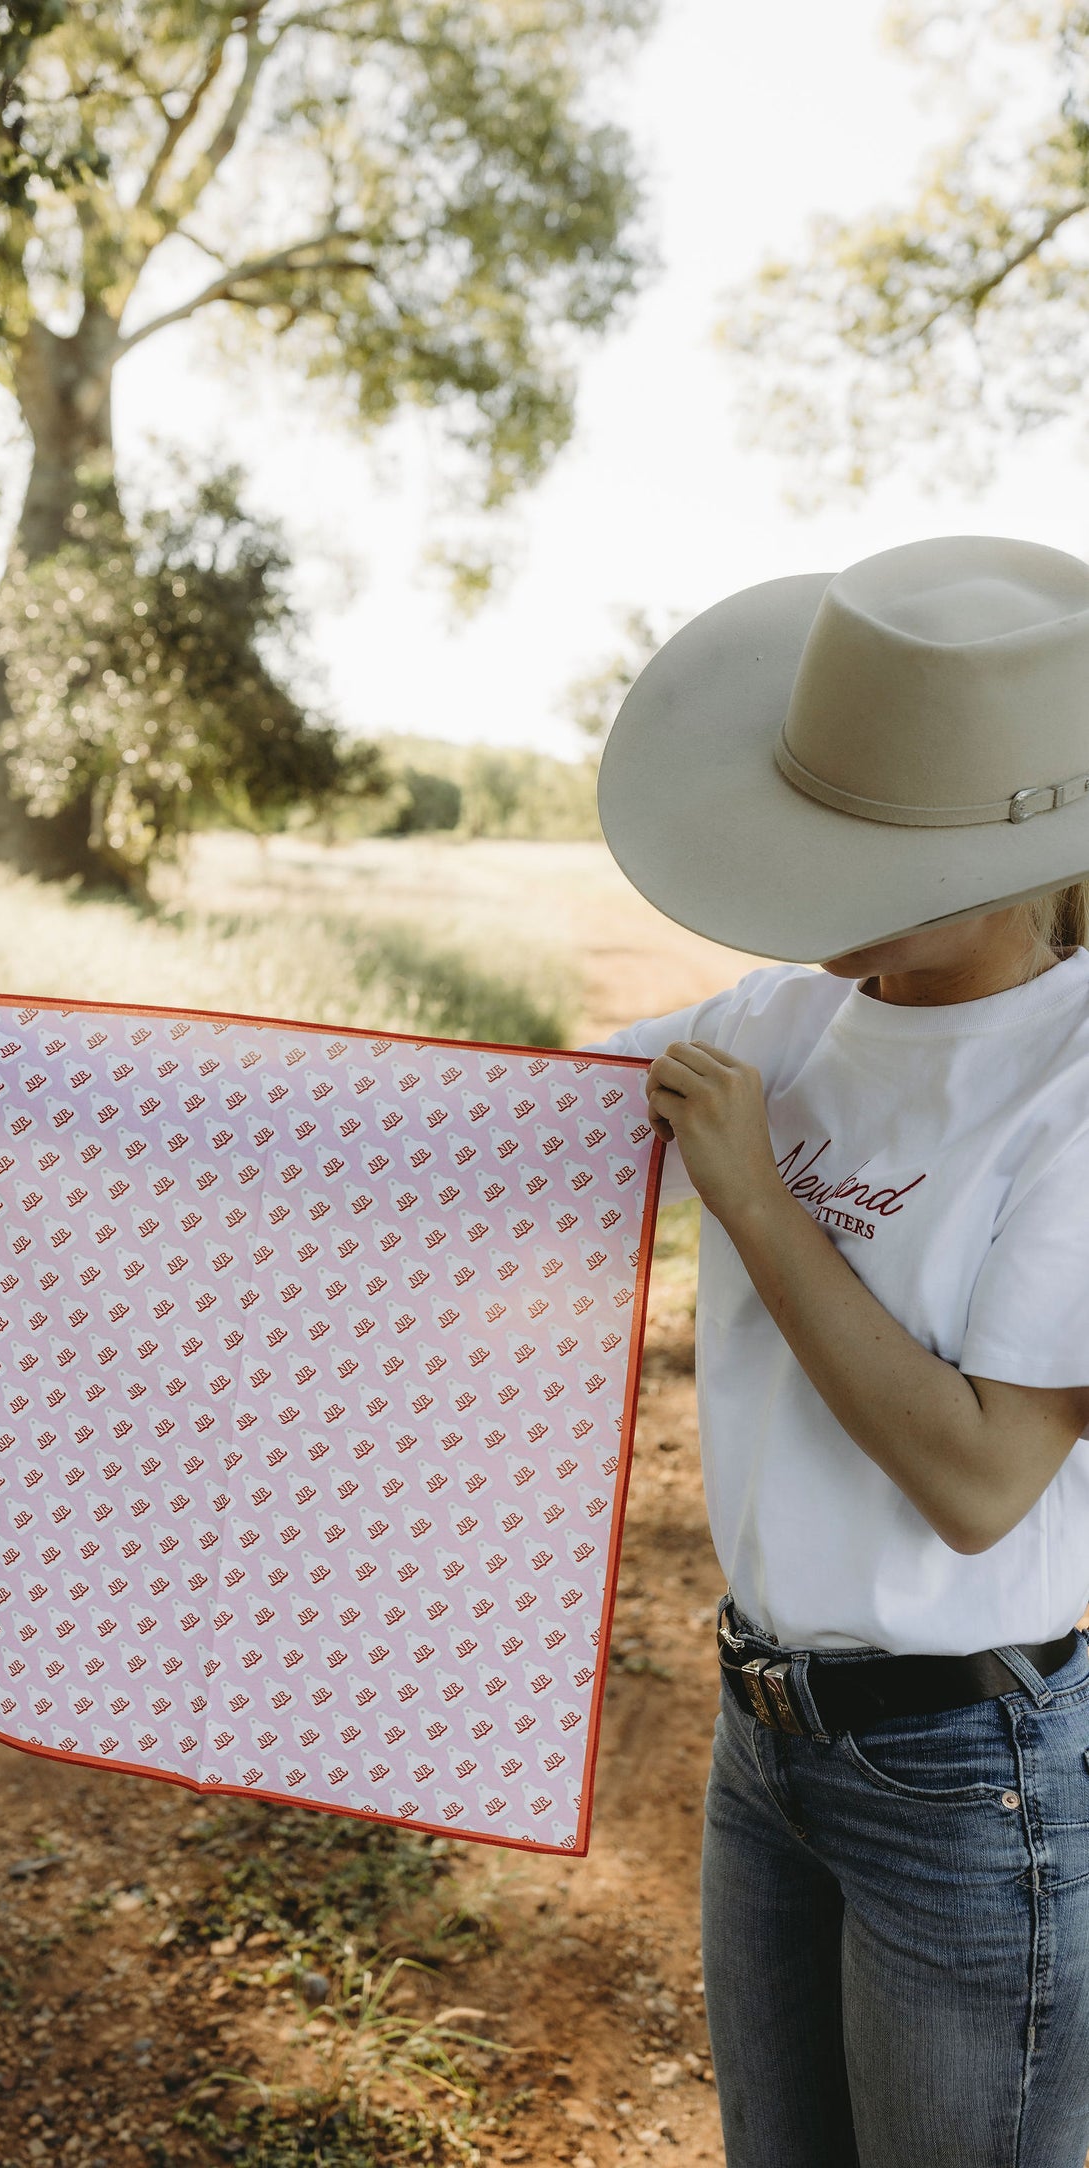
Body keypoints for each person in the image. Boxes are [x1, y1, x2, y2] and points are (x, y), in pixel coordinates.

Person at [590, 535, 1089, 2167]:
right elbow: (454, 1112)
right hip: (766, 1743)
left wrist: (749, 1196)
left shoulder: (1070, 1089)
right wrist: (54, 1084)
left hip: (964, 1782)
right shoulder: (780, 1029)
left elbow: (978, 1479)